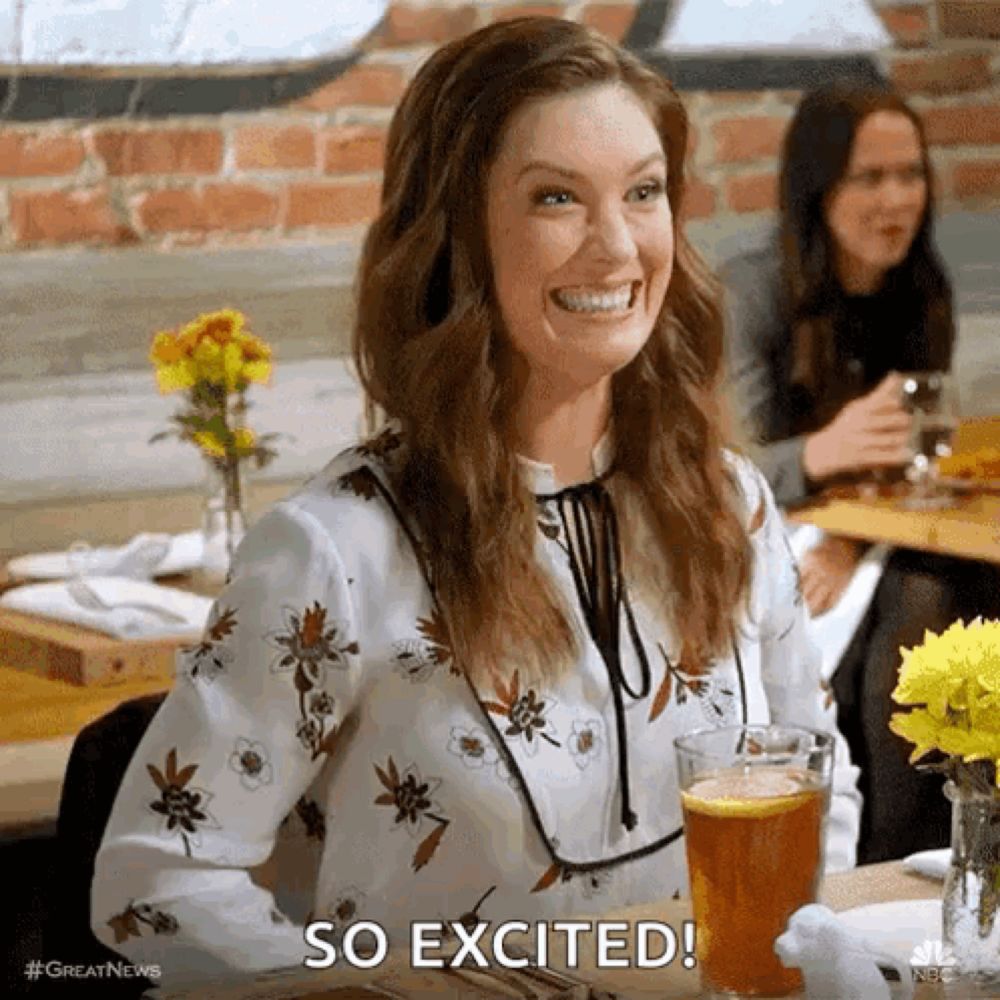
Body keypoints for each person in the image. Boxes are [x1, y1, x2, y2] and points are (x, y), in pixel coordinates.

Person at [91, 17, 861, 988]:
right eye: (554, 198)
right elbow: (155, 881)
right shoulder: (337, 550)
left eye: (643, 191)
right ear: (454, 233)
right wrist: (378, 983)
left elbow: (817, 773)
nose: (616, 244)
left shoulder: (732, 504)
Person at [722, 82, 999, 863]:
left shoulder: (920, 287)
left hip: (866, 527)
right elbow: (720, 473)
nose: (896, 199)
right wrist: (820, 455)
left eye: (910, 174)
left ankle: (971, 843)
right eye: (868, 179)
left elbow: (913, 463)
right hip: (766, 528)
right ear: (817, 191)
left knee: (966, 578)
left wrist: (852, 529)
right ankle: (889, 857)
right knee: (929, 592)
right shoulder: (752, 291)